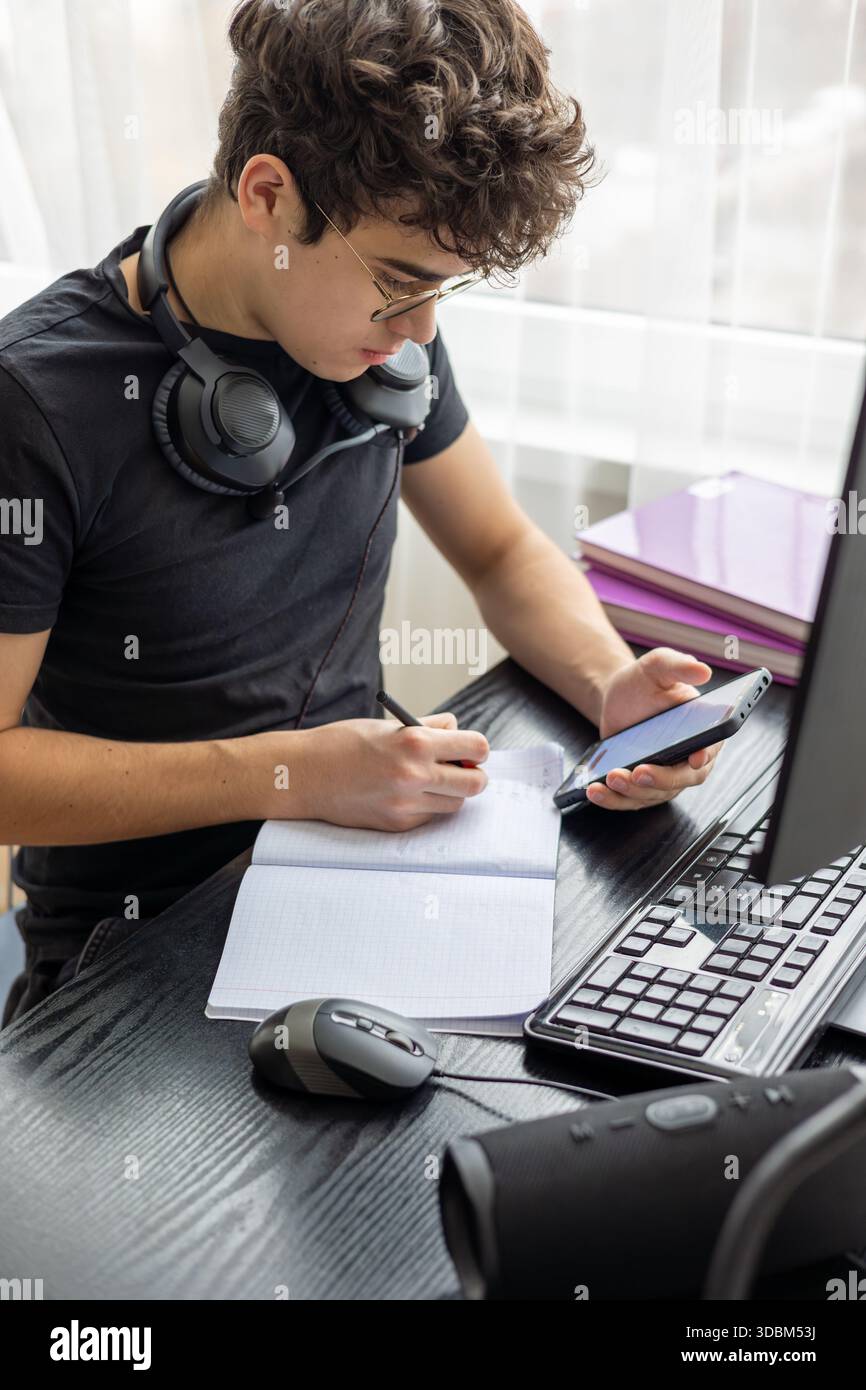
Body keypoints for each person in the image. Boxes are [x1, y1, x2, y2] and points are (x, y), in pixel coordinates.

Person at [0, 0, 720, 1025]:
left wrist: (610, 686)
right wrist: (288, 775)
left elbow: (499, 551)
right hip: (133, 959)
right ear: (267, 196)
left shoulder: (377, 338)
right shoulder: (35, 401)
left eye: (442, 292)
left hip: (360, 881)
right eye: (398, 283)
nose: (420, 330)